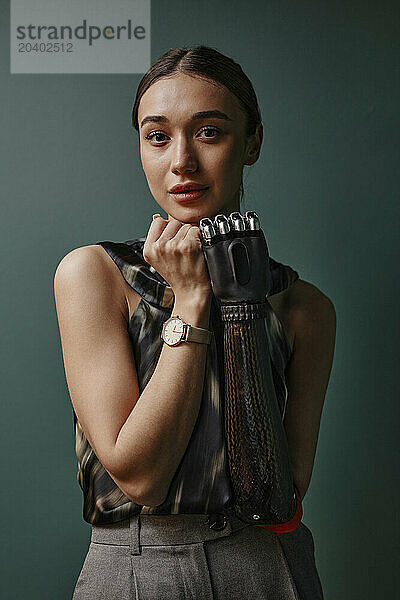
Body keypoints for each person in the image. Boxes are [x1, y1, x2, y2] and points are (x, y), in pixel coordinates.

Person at [54, 45, 336, 600]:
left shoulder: (305, 309)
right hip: (139, 567)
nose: (181, 160)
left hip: (268, 566)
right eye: (157, 136)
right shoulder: (94, 275)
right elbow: (141, 478)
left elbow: (279, 495)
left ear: (252, 142)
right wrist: (191, 300)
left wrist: (241, 304)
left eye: (209, 132)